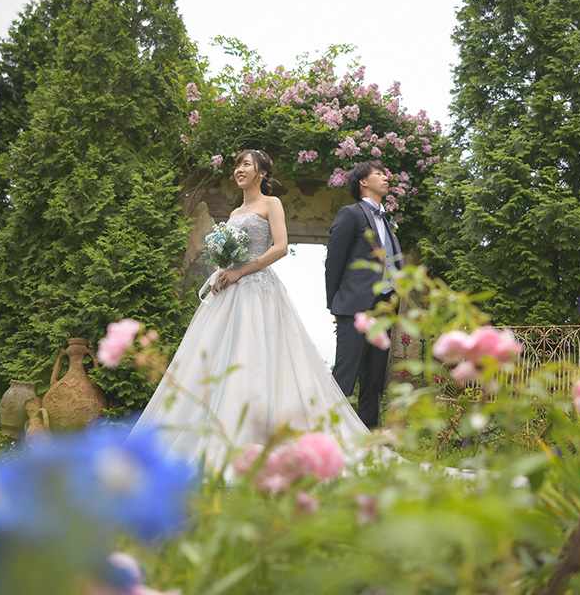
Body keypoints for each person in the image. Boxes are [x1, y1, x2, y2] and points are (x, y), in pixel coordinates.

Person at [132, 149, 374, 471]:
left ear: (261, 173)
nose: (239, 169)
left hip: (259, 290)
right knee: (223, 359)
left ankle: (264, 439)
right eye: (237, 165)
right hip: (230, 292)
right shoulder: (233, 214)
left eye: (246, 164)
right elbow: (229, 258)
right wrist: (223, 270)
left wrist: (240, 272)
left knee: (260, 357)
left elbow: (280, 247)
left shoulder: (271, 204)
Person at [324, 160, 403, 429]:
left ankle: (370, 435)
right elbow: (333, 261)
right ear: (363, 182)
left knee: (375, 376)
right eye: (378, 173)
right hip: (354, 305)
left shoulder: (387, 222)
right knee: (346, 372)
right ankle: (332, 434)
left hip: (385, 305)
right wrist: (335, 304)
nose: (385, 177)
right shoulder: (351, 214)